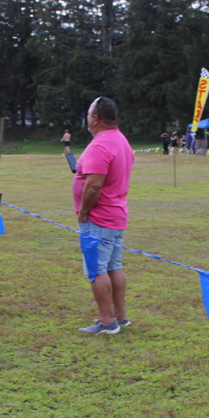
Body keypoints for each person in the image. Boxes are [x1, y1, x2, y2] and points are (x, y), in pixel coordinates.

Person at [73, 96, 135, 334]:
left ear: (96, 119)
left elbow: (94, 186)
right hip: (115, 215)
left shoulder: (100, 145)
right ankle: (120, 316)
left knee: (96, 270)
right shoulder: (121, 140)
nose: (87, 119)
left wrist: (83, 213)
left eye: (88, 115)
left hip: (98, 218)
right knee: (113, 267)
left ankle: (107, 321)